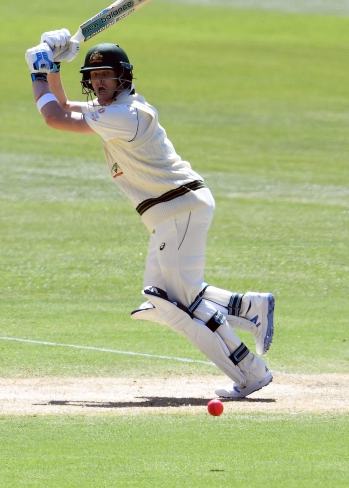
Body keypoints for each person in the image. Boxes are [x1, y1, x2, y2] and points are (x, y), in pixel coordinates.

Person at [24, 30, 275, 399]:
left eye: (106, 75)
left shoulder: (124, 115)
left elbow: (54, 116)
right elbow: (66, 106)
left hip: (178, 208)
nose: (99, 83)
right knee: (163, 298)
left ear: (123, 77)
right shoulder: (114, 111)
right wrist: (56, 64)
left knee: (178, 304)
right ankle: (251, 307)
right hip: (173, 211)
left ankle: (250, 372)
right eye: (93, 77)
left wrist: (37, 73)